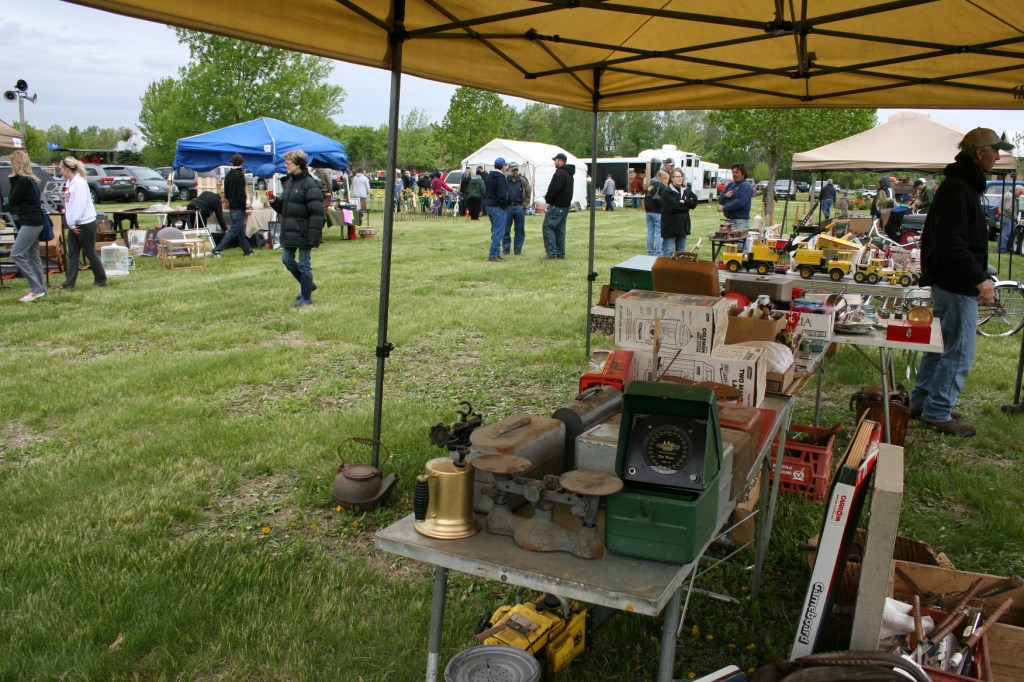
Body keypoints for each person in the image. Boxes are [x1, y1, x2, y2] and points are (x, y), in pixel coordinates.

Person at [910, 128, 1011, 437]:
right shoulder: (958, 188)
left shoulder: (961, 185)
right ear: (980, 152)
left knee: (940, 346)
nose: (998, 156)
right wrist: (979, 278)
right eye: (995, 150)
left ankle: (923, 402)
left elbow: (951, 239)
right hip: (954, 284)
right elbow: (951, 243)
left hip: (948, 280)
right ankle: (937, 411)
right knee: (960, 350)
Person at [269, 149, 324, 307]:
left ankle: (306, 297)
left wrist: (313, 235)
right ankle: (308, 285)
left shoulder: (310, 184)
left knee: (304, 264)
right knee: (286, 259)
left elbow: (316, 212)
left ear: (298, 164)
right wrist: (275, 202)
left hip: (305, 230)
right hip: (290, 229)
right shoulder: (289, 182)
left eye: (288, 163)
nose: (286, 165)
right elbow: (286, 209)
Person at [50, 156, 107, 290]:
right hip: (74, 223)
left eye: (61, 169)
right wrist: (70, 223)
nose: (60, 172)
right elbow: (69, 204)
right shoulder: (70, 183)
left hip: (84, 223)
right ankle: (69, 283)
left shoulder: (80, 183)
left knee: (89, 252)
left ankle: (101, 279)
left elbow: (79, 206)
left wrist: (74, 223)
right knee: (73, 253)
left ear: (67, 169)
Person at [7, 150, 48, 302]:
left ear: (16, 163)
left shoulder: (23, 181)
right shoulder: (30, 180)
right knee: (34, 257)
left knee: (16, 254)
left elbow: (12, 200)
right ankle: (41, 289)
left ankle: (36, 288)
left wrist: (12, 180)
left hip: (30, 222)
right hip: (35, 221)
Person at [210, 153, 253, 257]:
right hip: (239, 206)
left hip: (232, 206)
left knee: (239, 230)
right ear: (242, 163)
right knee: (234, 229)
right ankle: (217, 249)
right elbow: (241, 193)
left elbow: (226, 192)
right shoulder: (240, 175)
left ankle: (247, 251)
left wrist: (230, 200)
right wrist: (245, 204)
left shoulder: (228, 175)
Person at [542, 152, 575, 260]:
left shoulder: (560, 173)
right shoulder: (569, 174)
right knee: (560, 230)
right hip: (565, 206)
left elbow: (553, 189)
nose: (554, 162)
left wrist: (547, 198)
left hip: (557, 206)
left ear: (560, 160)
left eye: (555, 160)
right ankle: (560, 253)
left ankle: (551, 253)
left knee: (548, 227)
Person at [661, 171, 698, 254]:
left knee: (681, 252)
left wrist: (684, 201)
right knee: (668, 251)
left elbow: (694, 202)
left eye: (681, 176)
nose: (680, 178)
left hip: (682, 227)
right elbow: (673, 207)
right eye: (677, 176)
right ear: (672, 178)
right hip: (670, 227)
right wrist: (687, 206)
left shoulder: (686, 190)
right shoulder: (667, 192)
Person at [483, 158, 509, 262]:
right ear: (503, 166)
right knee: (499, 231)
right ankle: (493, 254)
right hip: (498, 207)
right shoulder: (501, 178)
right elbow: (502, 195)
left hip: (489, 206)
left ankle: (496, 253)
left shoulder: (489, 176)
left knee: (495, 230)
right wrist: (504, 204)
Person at [503, 162, 531, 255]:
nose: (515, 171)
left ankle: (518, 250)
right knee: (506, 229)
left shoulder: (523, 181)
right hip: (508, 207)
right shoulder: (505, 180)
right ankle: (506, 250)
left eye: (516, 169)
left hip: (519, 207)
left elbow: (528, 194)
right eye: (513, 169)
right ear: (509, 169)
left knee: (519, 229)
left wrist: (525, 206)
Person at [717, 163, 753, 230]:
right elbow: (720, 199)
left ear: (743, 173)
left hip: (740, 222)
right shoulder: (731, 184)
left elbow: (740, 202)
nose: (734, 174)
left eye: (736, 172)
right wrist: (725, 196)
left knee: (738, 240)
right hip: (729, 221)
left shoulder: (746, 186)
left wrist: (724, 208)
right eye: (733, 172)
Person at [644, 170, 669, 256]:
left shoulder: (650, 186)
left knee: (650, 232)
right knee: (659, 232)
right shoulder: (661, 186)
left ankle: (650, 252)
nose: (666, 180)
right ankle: (659, 252)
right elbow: (666, 199)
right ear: (662, 177)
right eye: (666, 178)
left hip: (648, 212)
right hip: (658, 212)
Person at [998, 182, 1017, 254]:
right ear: (1016, 191)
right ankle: (1002, 250)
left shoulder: (1006, 194)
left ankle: (999, 249)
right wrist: (1014, 216)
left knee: (1002, 234)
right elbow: (1007, 208)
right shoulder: (1010, 196)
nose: (1019, 195)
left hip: (1003, 217)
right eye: (1019, 193)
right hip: (1007, 218)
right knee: (1005, 235)